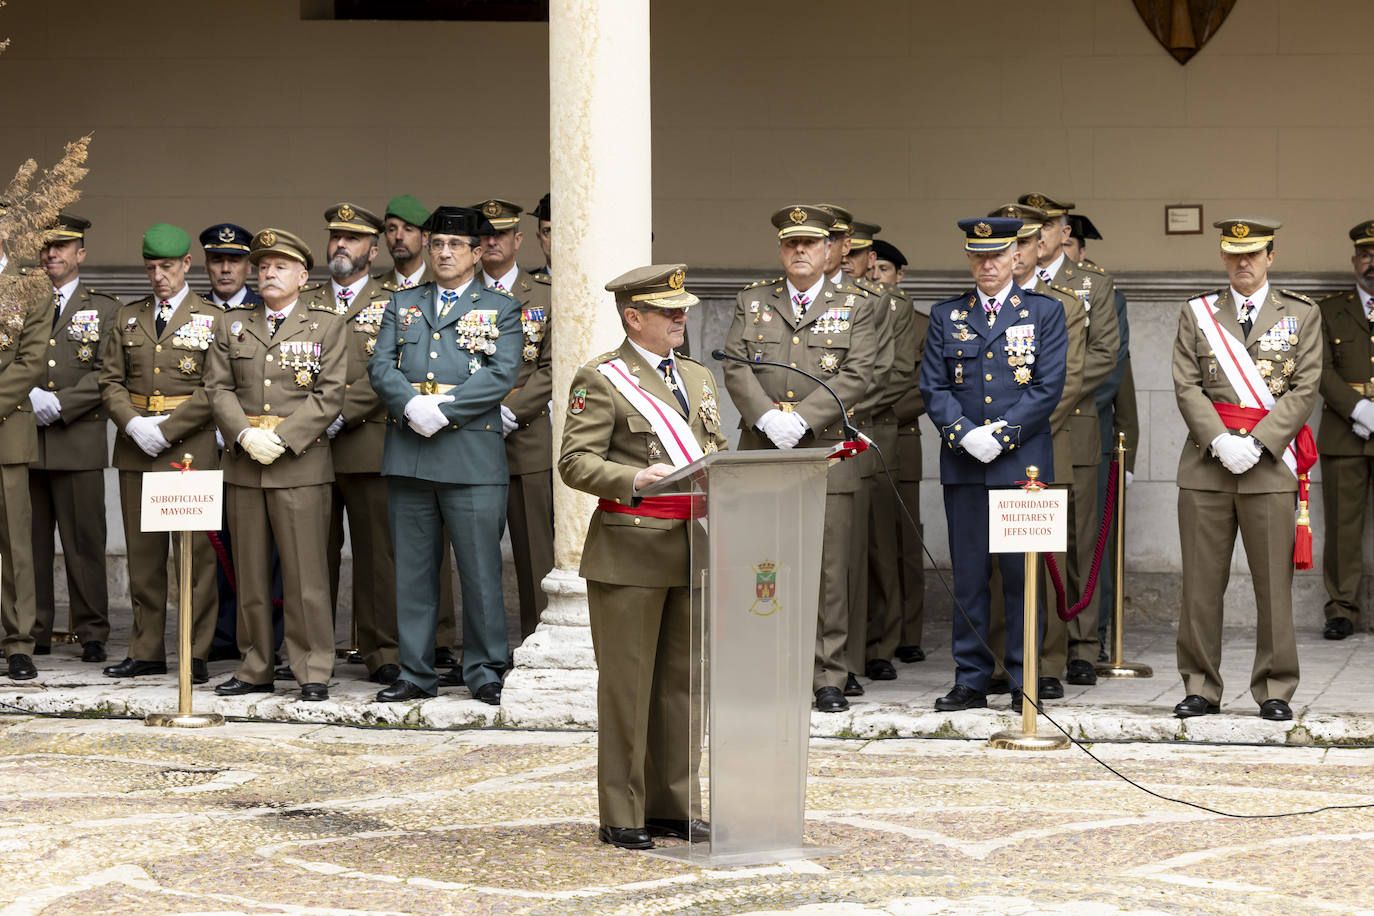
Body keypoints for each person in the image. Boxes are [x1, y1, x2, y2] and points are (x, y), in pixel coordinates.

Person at [558, 262, 724, 851]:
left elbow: (715, 452)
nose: (682, 318)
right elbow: (575, 462)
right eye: (668, 311)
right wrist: (635, 476)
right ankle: (622, 811)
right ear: (635, 317)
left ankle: (672, 805)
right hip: (631, 548)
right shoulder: (601, 378)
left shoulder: (699, 379)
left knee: (682, 686)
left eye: (683, 309)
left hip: (692, 548)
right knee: (629, 688)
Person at [722, 205, 878, 713]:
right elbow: (737, 366)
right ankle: (771, 667)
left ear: (830, 249)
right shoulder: (753, 300)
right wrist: (767, 418)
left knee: (827, 572)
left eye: (810, 244)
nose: (800, 252)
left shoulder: (857, 303)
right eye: (792, 244)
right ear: (781, 249)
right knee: (766, 564)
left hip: (827, 453)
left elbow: (860, 373)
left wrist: (804, 420)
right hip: (764, 452)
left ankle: (828, 673)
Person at [369, 206, 520, 705]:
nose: (445, 252)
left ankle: (485, 669)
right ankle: (415, 671)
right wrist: (410, 403)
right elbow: (380, 366)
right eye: (438, 244)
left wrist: (446, 411)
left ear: (477, 252)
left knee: (479, 572)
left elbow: (501, 374)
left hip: (471, 457)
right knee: (412, 572)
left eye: (457, 245)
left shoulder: (500, 306)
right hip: (411, 450)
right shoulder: (402, 303)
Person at [1171, 218, 1320, 721]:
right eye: (1234, 254)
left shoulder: (1301, 314)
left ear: (1270, 257)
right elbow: (1187, 384)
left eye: (1253, 254)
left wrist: (1258, 443)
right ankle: (1200, 686)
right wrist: (1218, 440)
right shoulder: (1198, 313)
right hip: (1206, 467)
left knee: (1273, 587)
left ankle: (1275, 687)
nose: (1243, 263)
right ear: (1223, 257)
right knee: (1200, 585)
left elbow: (1305, 388)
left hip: (1269, 468)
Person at [917, 217, 1067, 712]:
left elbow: (1047, 387)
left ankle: (1027, 677)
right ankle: (973, 677)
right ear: (969, 259)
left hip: (1022, 466)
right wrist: (964, 434)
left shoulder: (1045, 312)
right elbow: (933, 387)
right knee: (969, 576)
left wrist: (1001, 435)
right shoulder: (946, 315)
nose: (988, 264)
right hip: (965, 463)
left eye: (997, 256)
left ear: (1014, 258)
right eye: (978, 256)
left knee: (1023, 575)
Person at [205, 228, 346, 702]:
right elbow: (217, 388)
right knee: (249, 575)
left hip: (300, 466)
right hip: (246, 464)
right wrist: (244, 434)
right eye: (262, 266)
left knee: (306, 575)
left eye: (279, 266)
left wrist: (282, 439)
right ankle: (256, 665)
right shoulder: (232, 324)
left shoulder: (326, 325)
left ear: (303, 276)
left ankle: (313, 670)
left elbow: (329, 395)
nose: (268, 273)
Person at [98, 224, 221, 684]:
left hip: (189, 447)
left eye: (167, 267)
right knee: (143, 554)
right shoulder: (128, 316)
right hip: (136, 444)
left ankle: (195, 651)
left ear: (187, 264)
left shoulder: (211, 317)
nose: (158, 276)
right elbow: (108, 380)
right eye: (151, 267)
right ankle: (146, 648)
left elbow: (215, 387)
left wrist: (167, 429)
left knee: (195, 555)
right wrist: (131, 423)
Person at [1017, 192, 1120, 689]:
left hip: (1072, 425)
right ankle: (1025, 649)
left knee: (1076, 542)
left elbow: (1103, 356)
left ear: (1061, 232)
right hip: (1022, 430)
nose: (1038, 235)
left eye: (1047, 225)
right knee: (1031, 541)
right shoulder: (1006, 278)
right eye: (1030, 226)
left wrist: (1041, 408)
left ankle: (1080, 644)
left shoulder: (1090, 285)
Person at [307, 202, 400, 686]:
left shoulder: (397, 298)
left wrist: (343, 411)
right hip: (313, 447)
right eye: (334, 237)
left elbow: (395, 368)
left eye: (352, 238)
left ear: (373, 247)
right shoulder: (307, 297)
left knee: (376, 556)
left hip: (368, 442)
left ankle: (381, 649)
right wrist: (317, 417)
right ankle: (311, 653)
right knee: (312, 558)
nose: (340, 246)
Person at [29, 213, 116, 661]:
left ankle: (93, 631)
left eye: (61, 247)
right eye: (46, 247)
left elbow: (109, 372)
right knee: (29, 545)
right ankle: (32, 630)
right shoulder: (18, 302)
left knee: (84, 543)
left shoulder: (104, 307)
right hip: (26, 440)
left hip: (77, 438)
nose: (52, 254)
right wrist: (27, 392)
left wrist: (60, 403)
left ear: (80, 254)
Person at [473, 198, 554, 639]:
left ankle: (537, 641)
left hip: (525, 435)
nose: (491, 242)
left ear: (517, 240)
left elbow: (553, 366)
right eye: (483, 235)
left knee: (533, 552)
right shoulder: (458, 293)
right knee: (474, 551)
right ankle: (481, 651)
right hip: (467, 436)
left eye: (500, 234)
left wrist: (511, 411)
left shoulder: (543, 293)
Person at [198, 222, 270, 663]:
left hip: (253, 444)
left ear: (249, 265)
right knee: (212, 543)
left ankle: (266, 638)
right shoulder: (193, 309)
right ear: (204, 263)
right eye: (217, 259)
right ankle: (219, 636)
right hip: (200, 442)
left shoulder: (269, 309)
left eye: (235, 260)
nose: (226, 268)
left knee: (263, 549)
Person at [1314, 220, 1374, 641]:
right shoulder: (1329, 309)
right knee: (1342, 527)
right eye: (1366, 255)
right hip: (1344, 432)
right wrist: (1359, 410)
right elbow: (1319, 369)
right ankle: (1342, 610)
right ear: (1355, 261)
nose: (1373, 263)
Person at [0, 211, 51, 680]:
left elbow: (30, 363)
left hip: (5, 434)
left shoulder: (31, 288)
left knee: (16, 545)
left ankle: (19, 643)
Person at [374, 195, 432, 292]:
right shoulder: (373, 287)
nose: (398, 237)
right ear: (385, 237)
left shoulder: (441, 284)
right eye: (392, 230)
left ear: (425, 238)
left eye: (408, 230)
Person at [529, 192, 551, 280]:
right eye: (547, 231)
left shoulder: (591, 281)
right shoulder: (528, 284)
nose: (554, 240)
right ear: (539, 237)